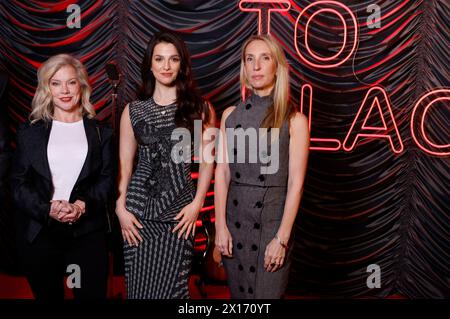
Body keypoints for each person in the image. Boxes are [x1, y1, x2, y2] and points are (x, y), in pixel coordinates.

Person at [116, 31, 215, 299]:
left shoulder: (200, 108)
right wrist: (120, 206)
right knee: (139, 291)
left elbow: (208, 162)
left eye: (173, 59)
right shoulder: (133, 110)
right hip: (137, 214)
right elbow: (125, 166)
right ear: (150, 64)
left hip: (179, 213)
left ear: (182, 65)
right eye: (159, 59)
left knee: (174, 291)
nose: (166, 66)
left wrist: (196, 204)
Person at [10, 54, 115, 299]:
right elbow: (18, 184)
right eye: (56, 83)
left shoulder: (101, 132)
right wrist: (47, 208)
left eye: (71, 82)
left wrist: (81, 205)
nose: (65, 91)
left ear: (82, 86)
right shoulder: (30, 132)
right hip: (41, 232)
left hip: (87, 232)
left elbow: (107, 179)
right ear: (47, 89)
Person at [214, 34, 310, 299]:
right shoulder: (229, 116)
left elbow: (296, 184)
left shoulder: (295, 120)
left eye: (264, 58)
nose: (256, 66)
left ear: (276, 66)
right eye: (249, 59)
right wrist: (220, 227)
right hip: (235, 224)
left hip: (272, 226)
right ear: (244, 67)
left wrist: (281, 239)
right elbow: (221, 174)